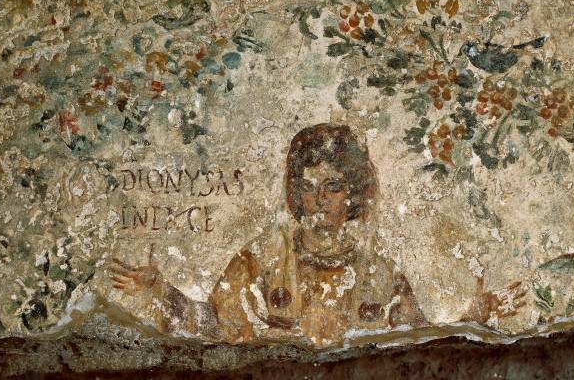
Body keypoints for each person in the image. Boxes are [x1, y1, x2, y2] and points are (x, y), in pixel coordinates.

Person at [110, 123, 525, 345]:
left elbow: (414, 341)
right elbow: (216, 324)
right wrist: (161, 292)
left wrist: (471, 318)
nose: (319, 199)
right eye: (308, 187)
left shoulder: (380, 274)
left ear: (353, 193)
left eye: (332, 186)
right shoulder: (265, 256)